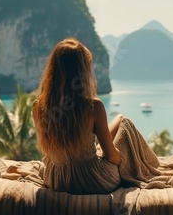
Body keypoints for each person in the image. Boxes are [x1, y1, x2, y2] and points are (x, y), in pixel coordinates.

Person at [33, 37, 166, 195]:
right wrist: (122, 159)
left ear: (53, 70)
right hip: (92, 180)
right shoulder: (93, 106)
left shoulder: (38, 108)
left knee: (120, 120)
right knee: (125, 123)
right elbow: (111, 157)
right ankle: (150, 165)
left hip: (55, 179)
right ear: (82, 72)